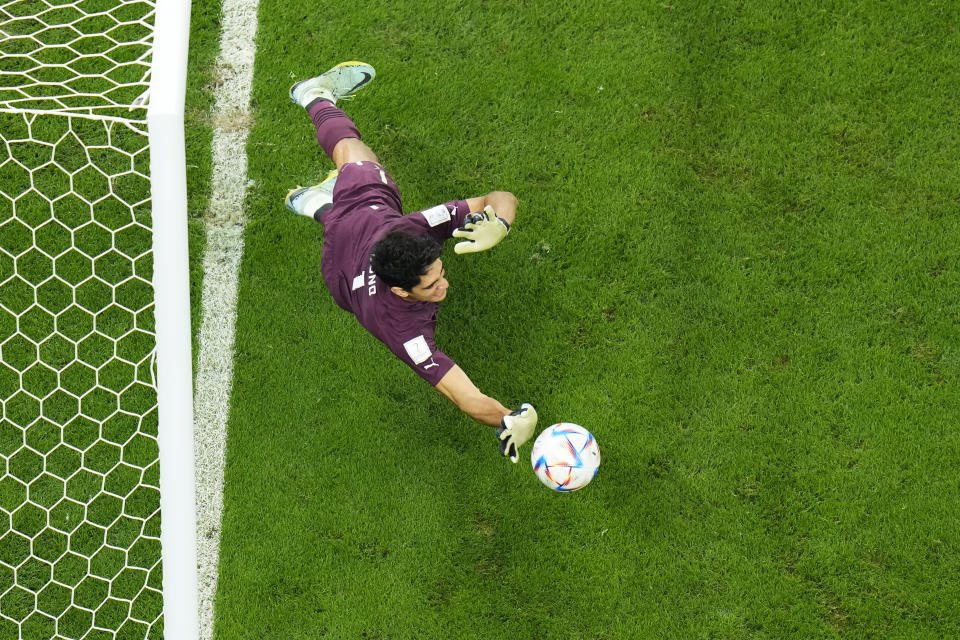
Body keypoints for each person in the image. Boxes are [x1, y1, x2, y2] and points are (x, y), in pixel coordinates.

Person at [284, 61, 537, 462]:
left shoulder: (416, 229)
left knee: (349, 176)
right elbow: (464, 395)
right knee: (349, 172)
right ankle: (313, 104)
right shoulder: (403, 330)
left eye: (440, 271)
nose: (445, 285)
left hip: (357, 228)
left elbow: (500, 196)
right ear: (402, 291)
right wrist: (509, 418)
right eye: (433, 286)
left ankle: (316, 167)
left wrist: (500, 222)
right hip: (342, 269)